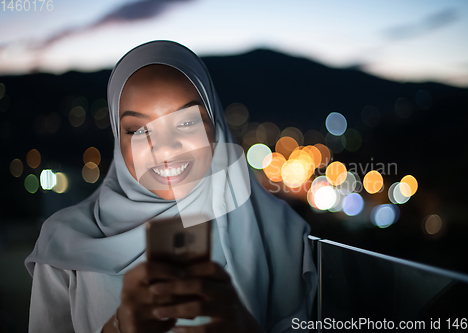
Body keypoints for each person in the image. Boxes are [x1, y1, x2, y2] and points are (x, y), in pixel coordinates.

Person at [25, 40, 317, 333]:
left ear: (215, 124)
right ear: (118, 138)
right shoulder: (63, 243)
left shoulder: (279, 232)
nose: (164, 149)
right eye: (139, 130)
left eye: (187, 122)